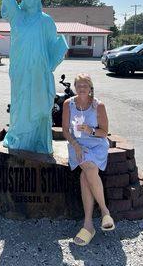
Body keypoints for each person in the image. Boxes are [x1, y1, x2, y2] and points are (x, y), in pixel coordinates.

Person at [0, 0, 68, 154]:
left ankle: (38, 142)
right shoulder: (17, 16)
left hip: (40, 72)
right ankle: (19, 139)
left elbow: (54, 47)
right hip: (21, 70)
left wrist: (52, 62)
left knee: (40, 110)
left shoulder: (46, 20)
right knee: (20, 107)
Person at [62, 73, 115, 246]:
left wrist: (90, 130)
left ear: (91, 87)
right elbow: (65, 131)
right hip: (77, 145)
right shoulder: (68, 104)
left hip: (97, 144)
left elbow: (104, 132)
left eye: (85, 85)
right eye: (79, 85)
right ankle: (105, 211)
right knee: (89, 169)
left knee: (86, 175)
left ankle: (88, 225)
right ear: (75, 88)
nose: (82, 88)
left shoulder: (98, 106)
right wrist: (75, 145)